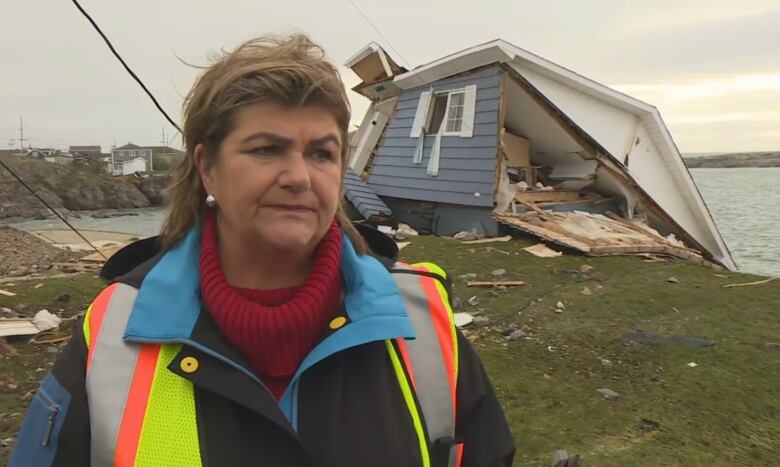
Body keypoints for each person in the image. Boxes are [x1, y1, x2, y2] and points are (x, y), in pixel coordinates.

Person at [9, 34, 514, 467]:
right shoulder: (116, 330)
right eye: (267, 149)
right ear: (208, 168)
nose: (298, 177)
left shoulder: (422, 323)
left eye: (322, 153)